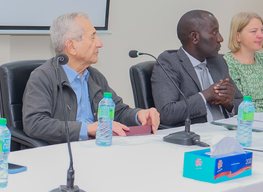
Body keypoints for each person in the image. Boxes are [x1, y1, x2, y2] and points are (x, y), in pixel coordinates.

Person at [22, 12, 160, 144]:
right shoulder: (43, 77)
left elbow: (118, 111)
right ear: (71, 46)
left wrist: (140, 115)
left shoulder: (94, 76)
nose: (100, 44)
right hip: (64, 152)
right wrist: (88, 129)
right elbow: (35, 123)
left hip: (98, 148)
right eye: (93, 37)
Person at [152, 10, 243, 127]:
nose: (220, 38)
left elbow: (242, 104)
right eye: (215, 32)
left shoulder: (218, 61)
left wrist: (228, 103)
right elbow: (167, 113)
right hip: (196, 137)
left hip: (228, 132)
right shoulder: (169, 63)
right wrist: (206, 95)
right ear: (194, 37)